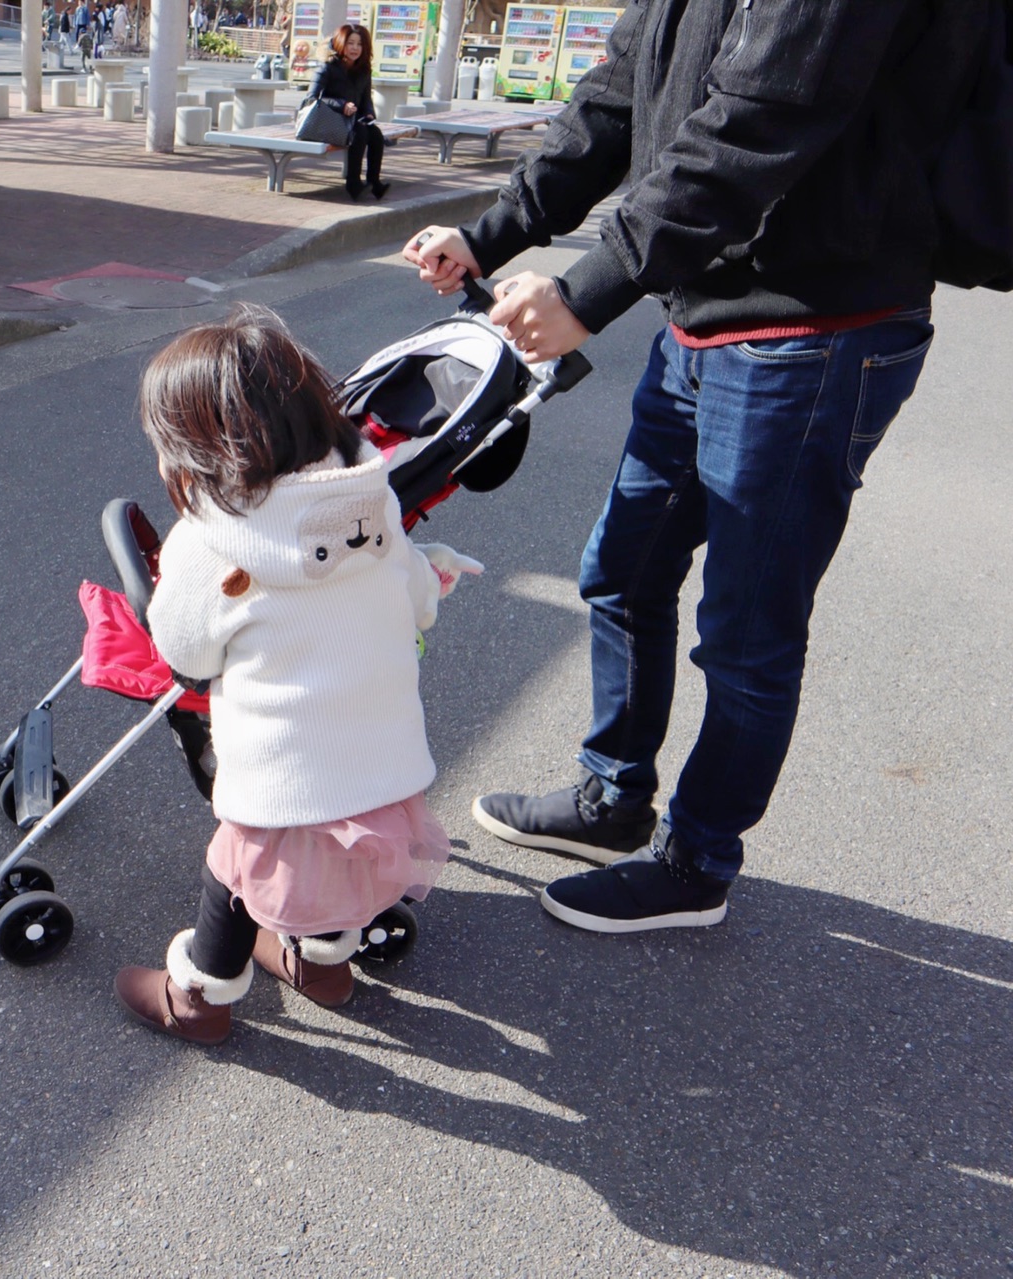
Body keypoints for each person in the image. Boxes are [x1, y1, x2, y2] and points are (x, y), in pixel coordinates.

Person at [402, 0, 982, 934]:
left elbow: (759, 121)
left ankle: (698, 859)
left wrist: (588, 289)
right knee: (623, 571)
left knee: (748, 629)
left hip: (817, 327)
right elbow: (617, 97)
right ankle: (613, 797)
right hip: (703, 316)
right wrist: (494, 232)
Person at [112, 306, 483, 1045]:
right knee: (344, 859)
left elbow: (187, 653)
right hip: (387, 774)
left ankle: (199, 997)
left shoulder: (209, 543)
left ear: (198, 457)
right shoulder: (371, 504)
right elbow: (417, 602)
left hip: (280, 787)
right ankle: (324, 965)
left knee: (237, 872)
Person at [305, 23, 387, 201]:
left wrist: (370, 113)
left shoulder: (364, 70)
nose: (355, 48)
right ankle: (353, 184)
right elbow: (311, 98)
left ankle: (374, 182)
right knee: (360, 133)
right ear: (341, 43)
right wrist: (342, 106)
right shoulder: (327, 67)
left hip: (351, 122)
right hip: (327, 122)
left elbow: (366, 99)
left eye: (359, 44)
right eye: (351, 43)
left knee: (376, 134)